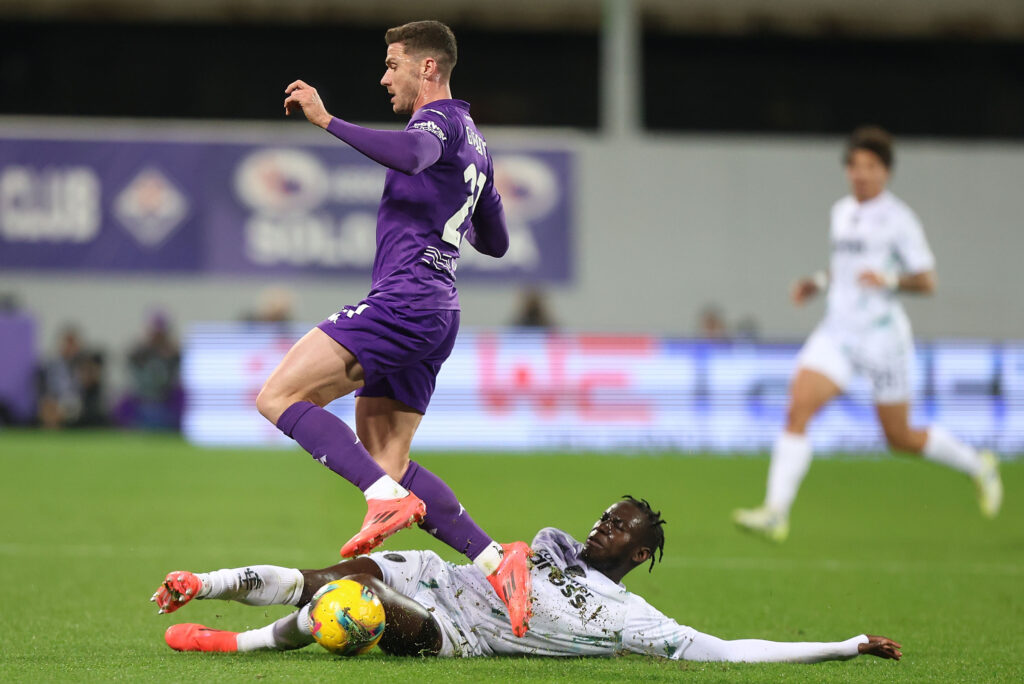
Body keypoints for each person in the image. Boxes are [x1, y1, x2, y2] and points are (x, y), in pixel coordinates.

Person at [256, 20, 530, 635]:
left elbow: (411, 155)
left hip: (404, 300)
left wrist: (326, 120)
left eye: (393, 64)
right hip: (440, 309)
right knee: (387, 456)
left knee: (278, 396)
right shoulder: (476, 141)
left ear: (427, 69)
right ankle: (496, 559)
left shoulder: (434, 123)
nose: (385, 77)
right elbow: (498, 240)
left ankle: (384, 500)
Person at [152, 496, 902, 664]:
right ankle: (205, 580)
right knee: (331, 574)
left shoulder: (630, 618)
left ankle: (235, 645)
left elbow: (731, 652)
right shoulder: (547, 543)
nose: (603, 529)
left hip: (458, 633)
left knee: (359, 608)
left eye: (620, 530)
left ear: (639, 554)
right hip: (442, 577)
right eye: (606, 517)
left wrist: (844, 645)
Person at [733, 126, 1003, 543]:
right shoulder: (841, 212)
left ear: (886, 172)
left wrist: (890, 277)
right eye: (855, 166)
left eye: (871, 166)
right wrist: (818, 282)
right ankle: (776, 513)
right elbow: (845, 271)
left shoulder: (899, 220)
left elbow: (927, 281)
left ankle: (978, 464)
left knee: (899, 436)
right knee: (797, 409)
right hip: (837, 334)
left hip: (882, 339)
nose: (861, 174)